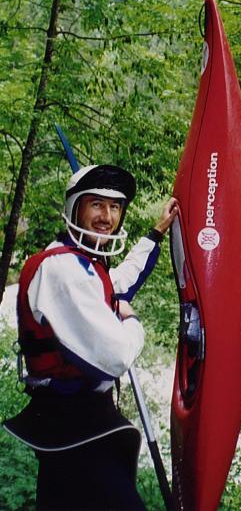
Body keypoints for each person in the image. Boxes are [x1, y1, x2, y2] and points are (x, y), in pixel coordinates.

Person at [3, 164, 179, 511]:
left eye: (115, 207)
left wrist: (156, 234)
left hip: (82, 422)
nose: (107, 216)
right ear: (75, 208)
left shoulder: (83, 265)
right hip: (70, 425)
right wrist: (132, 320)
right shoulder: (60, 269)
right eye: (96, 204)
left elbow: (119, 284)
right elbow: (116, 355)